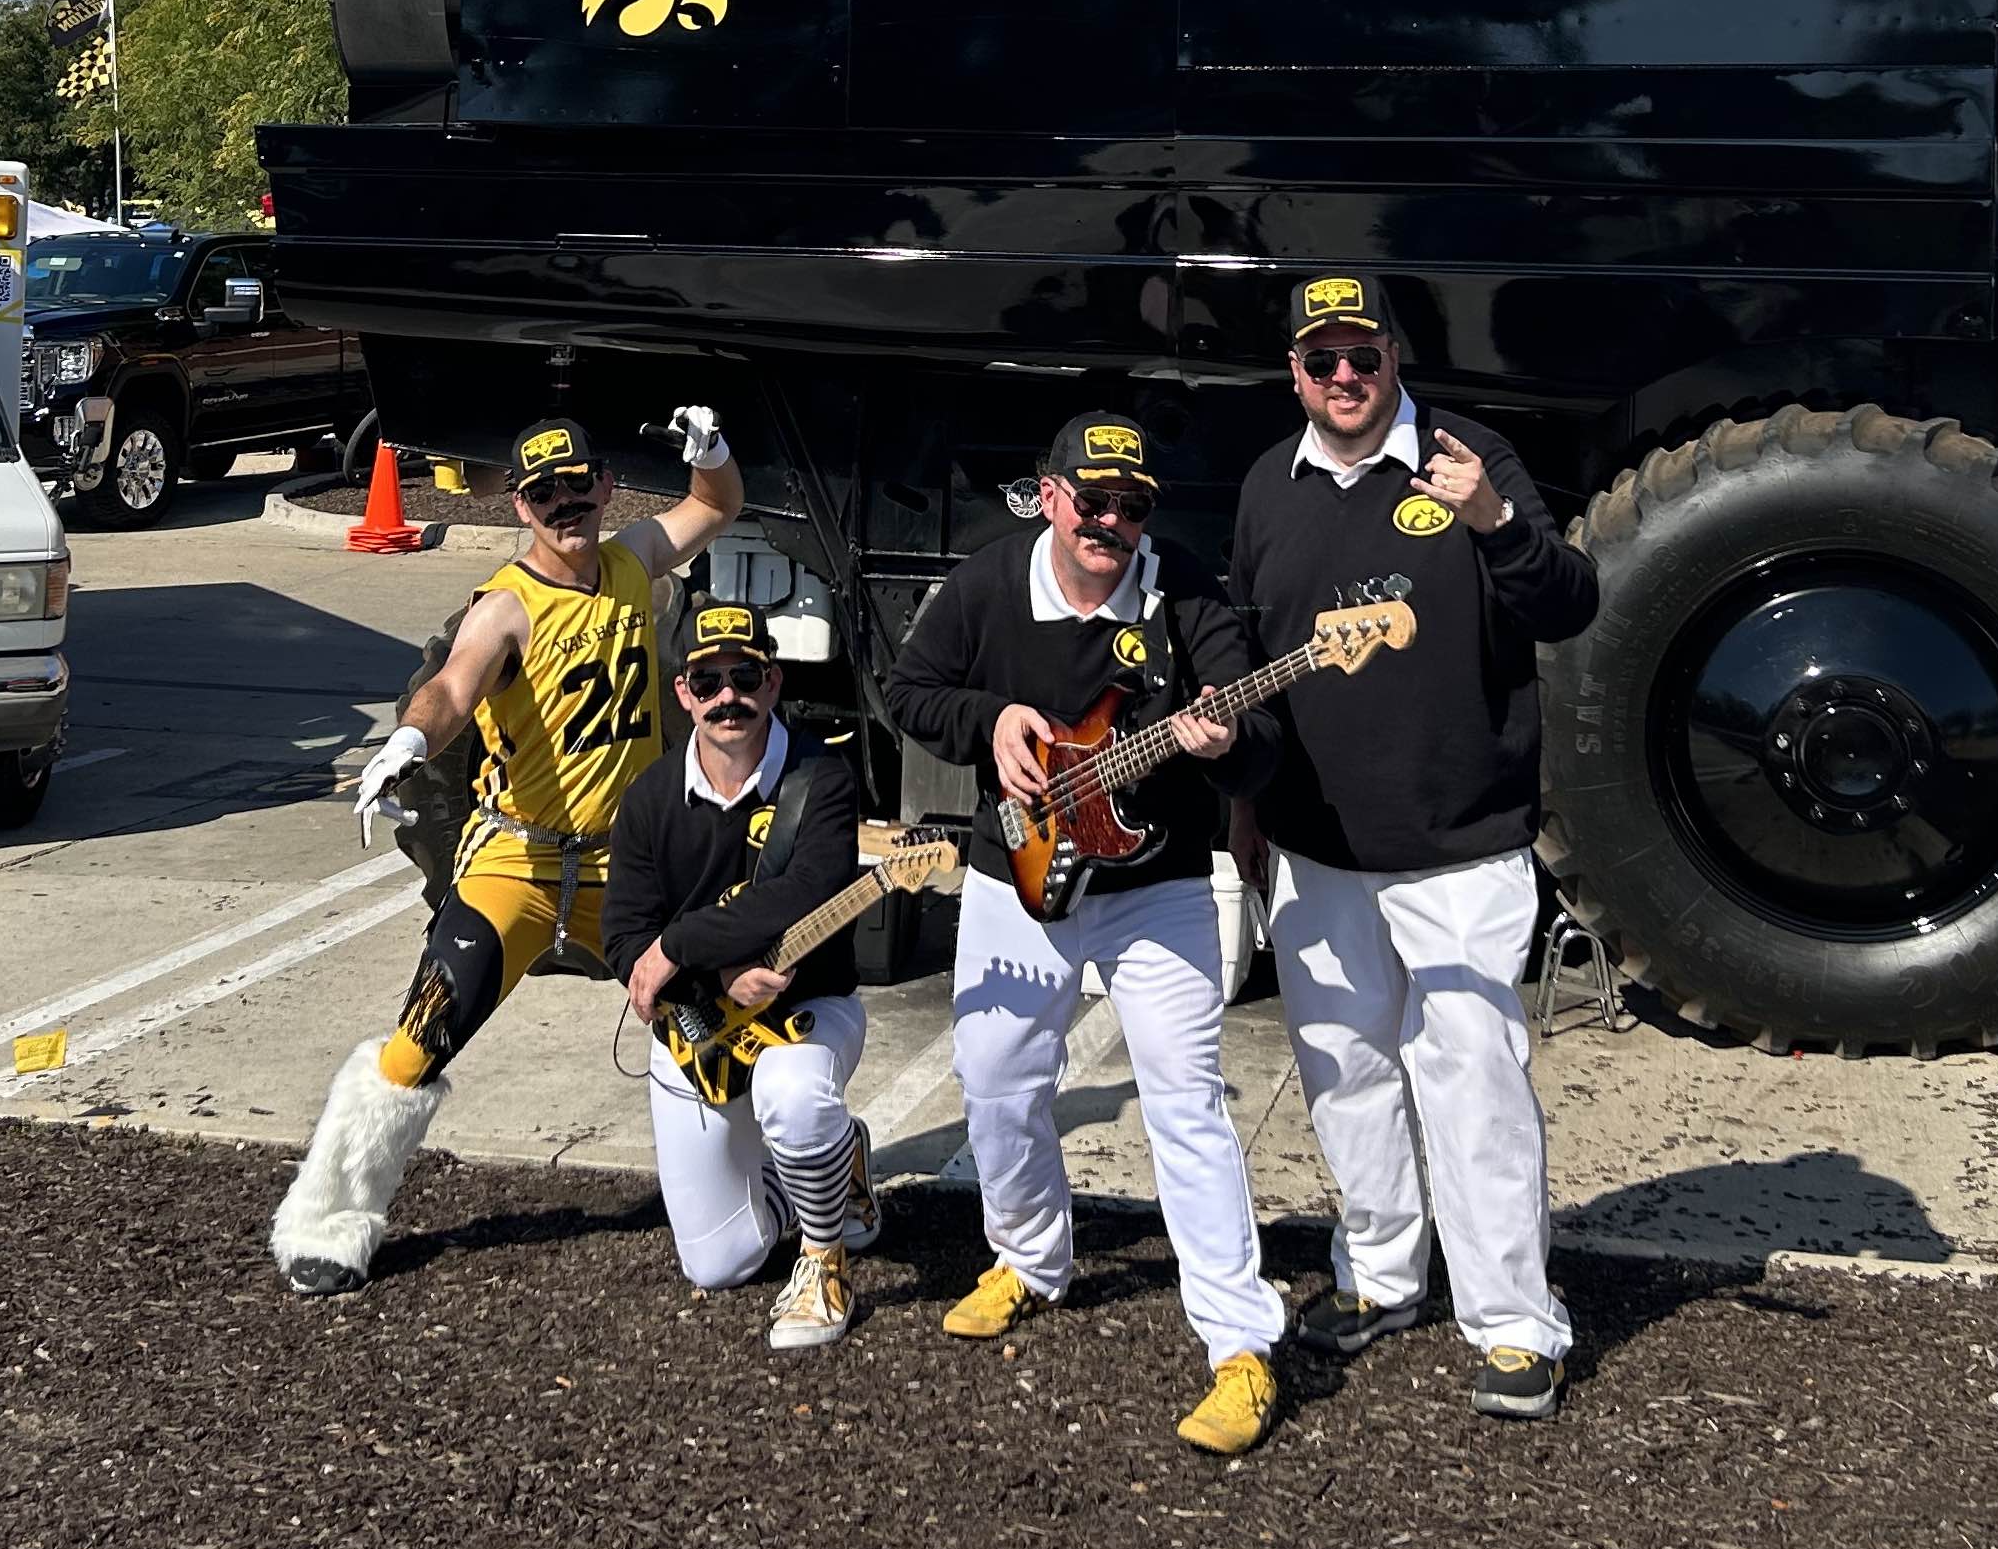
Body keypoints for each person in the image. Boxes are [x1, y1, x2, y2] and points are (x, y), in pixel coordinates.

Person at [1226, 273, 1598, 1422]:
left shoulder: (1466, 457)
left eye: (1362, 353)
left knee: (1473, 1085)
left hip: (1458, 844)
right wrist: (1241, 808)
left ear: (1394, 354)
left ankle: (1510, 1322)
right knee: (1343, 1075)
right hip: (1316, 847)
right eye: (1320, 358)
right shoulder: (1265, 486)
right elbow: (1249, 659)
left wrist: (1491, 520)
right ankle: (1379, 1273)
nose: (1344, 376)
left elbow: (1567, 603)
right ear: (1293, 371)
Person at [883, 411, 1288, 1458]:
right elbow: (906, 693)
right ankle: (1026, 1257)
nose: (1109, 519)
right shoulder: (986, 582)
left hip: (1154, 888)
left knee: (1184, 1102)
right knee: (997, 1078)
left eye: (1130, 504)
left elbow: (1260, 750)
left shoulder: (1184, 592)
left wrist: (1225, 738)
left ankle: (1240, 1342)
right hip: (1014, 871)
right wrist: (993, 723)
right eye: (1092, 498)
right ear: (1050, 493)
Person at [269, 406, 743, 1297]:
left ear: (605, 485)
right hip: (518, 865)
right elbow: (453, 684)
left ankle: (787, 1185)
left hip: (627, 866)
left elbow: (714, 504)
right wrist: (409, 740)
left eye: (579, 485)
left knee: (722, 1020)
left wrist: (711, 450)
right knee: (420, 1038)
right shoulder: (506, 604)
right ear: (519, 506)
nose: (566, 504)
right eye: (544, 493)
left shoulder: (633, 557)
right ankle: (328, 1215)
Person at [605, 598, 879, 1349]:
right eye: (710, 678)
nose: (731, 695)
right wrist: (704, 978)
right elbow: (623, 935)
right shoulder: (650, 796)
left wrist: (681, 944)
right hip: (700, 1028)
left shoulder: (821, 776)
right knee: (719, 1261)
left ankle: (824, 1261)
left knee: (792, 1093)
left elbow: (805, 892)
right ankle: (823, 1168)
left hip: (813, 1009)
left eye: (747, 675)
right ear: (684, 692)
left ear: (775, 680)